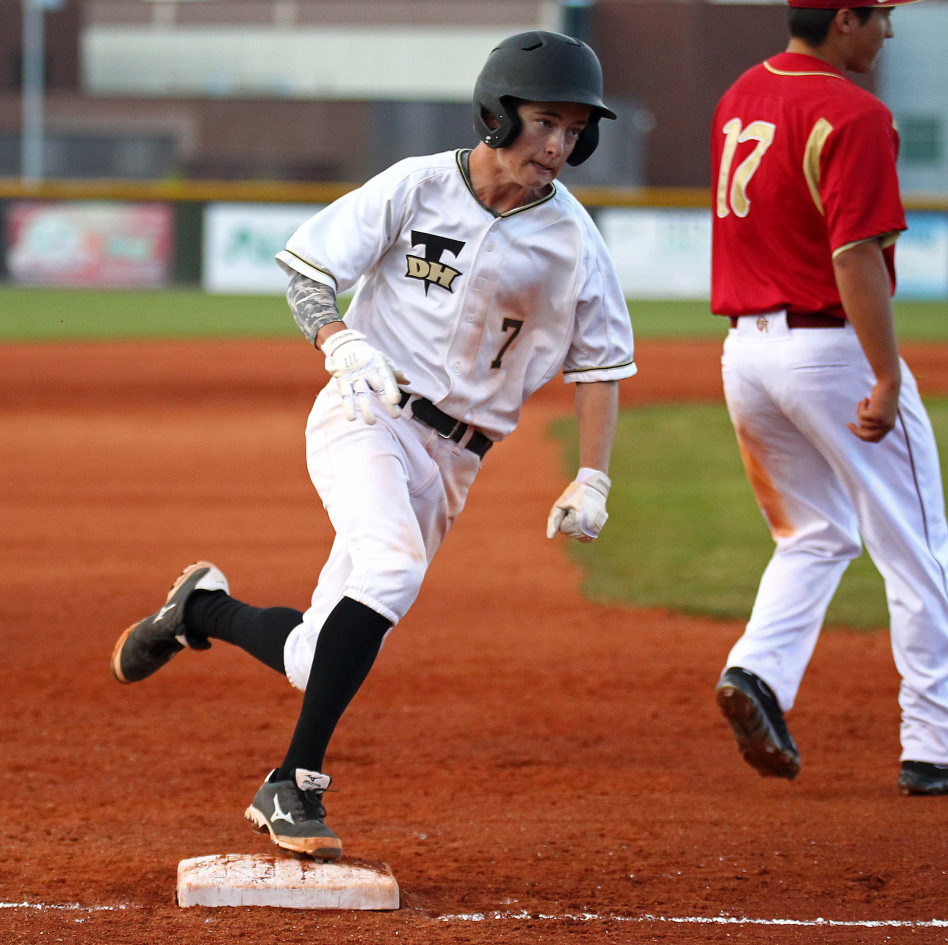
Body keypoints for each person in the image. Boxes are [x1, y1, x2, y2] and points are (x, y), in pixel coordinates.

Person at [110, 31, 635, 860]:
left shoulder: (575, 242)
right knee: (392, 568)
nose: (559, 145)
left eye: (575, 130)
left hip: (456, 462)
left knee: (320, 654)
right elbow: (306, 269)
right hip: (367, 415)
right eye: (544, 122)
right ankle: (293, 780)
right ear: (497, 115)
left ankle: (198, 608)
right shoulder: (419, 185)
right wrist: (338, 341)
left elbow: (601, 364)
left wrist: (594, 476)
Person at [709, 0, 948, 796]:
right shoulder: (854, 112)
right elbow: (853, 256)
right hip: (828, 349)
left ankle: (758, 674)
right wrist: (884, 374)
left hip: (745, 353)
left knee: (813, 533)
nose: (888, 30)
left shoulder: (740, 93)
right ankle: (943, 743)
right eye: (880, 16)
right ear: (843, 19)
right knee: (915, 546)